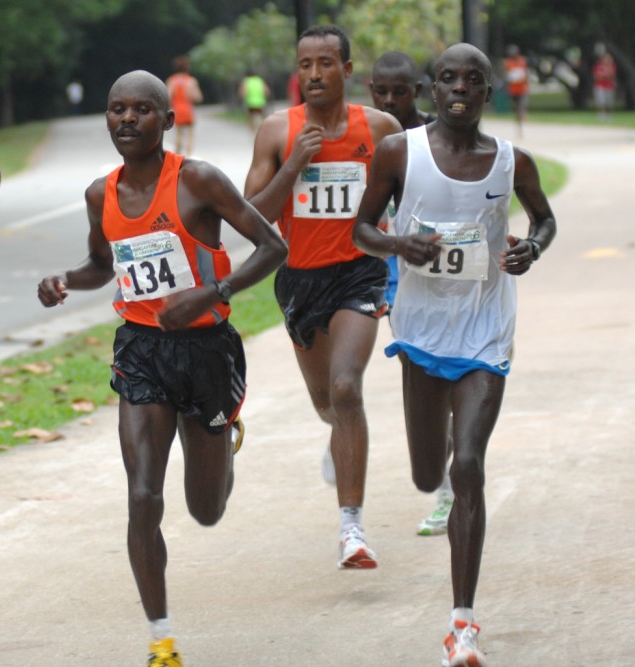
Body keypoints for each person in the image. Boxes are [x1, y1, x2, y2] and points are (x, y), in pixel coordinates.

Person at [37, 70, 285, 667]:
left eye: (142, 110)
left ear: (167, 120)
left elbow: (272, 245)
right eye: (116, 109)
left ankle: (223, 437)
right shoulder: (102, 193)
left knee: (206, 509)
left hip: (207, 351)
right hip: (142, 350)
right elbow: (104, 265)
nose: (127, 120)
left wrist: (212, 291)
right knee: (143, 495)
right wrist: (66, 280)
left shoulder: (197, 180)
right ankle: (162, 642)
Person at [352, 42, 557, 666]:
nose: (460, 87)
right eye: (448, 79)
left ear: (488, 91)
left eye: (473, 79)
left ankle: (461, 624)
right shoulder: (398, 153)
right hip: (419, 330)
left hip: (485, 328)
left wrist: (532, 249)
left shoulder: (511, 163)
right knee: (425, 470)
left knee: (467, 464)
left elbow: (544, 221)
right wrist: (396, 244)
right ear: (432, 90)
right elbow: (360, 228)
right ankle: (429, 469)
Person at [243, 24, 402, 569]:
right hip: (299, 279)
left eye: (326, 63)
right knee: (326, 405)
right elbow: (251, 216)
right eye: (305, 64)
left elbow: (411, 197)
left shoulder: (380, 128)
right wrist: (293, 165)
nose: (314, 74)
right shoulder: (275, 130)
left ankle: (351, 529)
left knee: (346, 387)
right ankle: (340, 437)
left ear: (347, 70)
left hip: (359, 273)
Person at [369, 51, 454, 538]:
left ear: (417, 91)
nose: (389, 100)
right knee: (420, 375)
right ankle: (445, 488)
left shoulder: (437, 136)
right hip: (397, 275)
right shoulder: (369, 140)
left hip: (453, 275)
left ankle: (453, 475)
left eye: (399, 91)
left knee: (451, 374)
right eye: (380, 90)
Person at [165, 56, 203, 155]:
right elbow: (198, 97)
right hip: (187, 110)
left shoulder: (172, 80)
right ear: (187, 68)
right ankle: (188, 156)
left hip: (176, 110)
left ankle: (177, 155)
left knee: (179, 134)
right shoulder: (191, 81)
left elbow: (168, 96)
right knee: (190, 135)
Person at [503, 45, 528, 136]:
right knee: (515, 109)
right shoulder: (507, 63)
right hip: (512, 90)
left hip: (522, 89)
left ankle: (522, 116)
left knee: (521, 106)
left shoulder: (523, 61)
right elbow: (506, 76)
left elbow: (525, 74)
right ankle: (518, 125)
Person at [592, 50, 617, 121]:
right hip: (600, 86)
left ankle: (609, 115)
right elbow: (597, 76)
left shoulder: (612, 66)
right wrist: (605, 75)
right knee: (601, 101)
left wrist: (603, 75)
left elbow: (611, 75)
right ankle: (601, 115)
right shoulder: (598, 66)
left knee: (609, 102)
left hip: (609, 87)